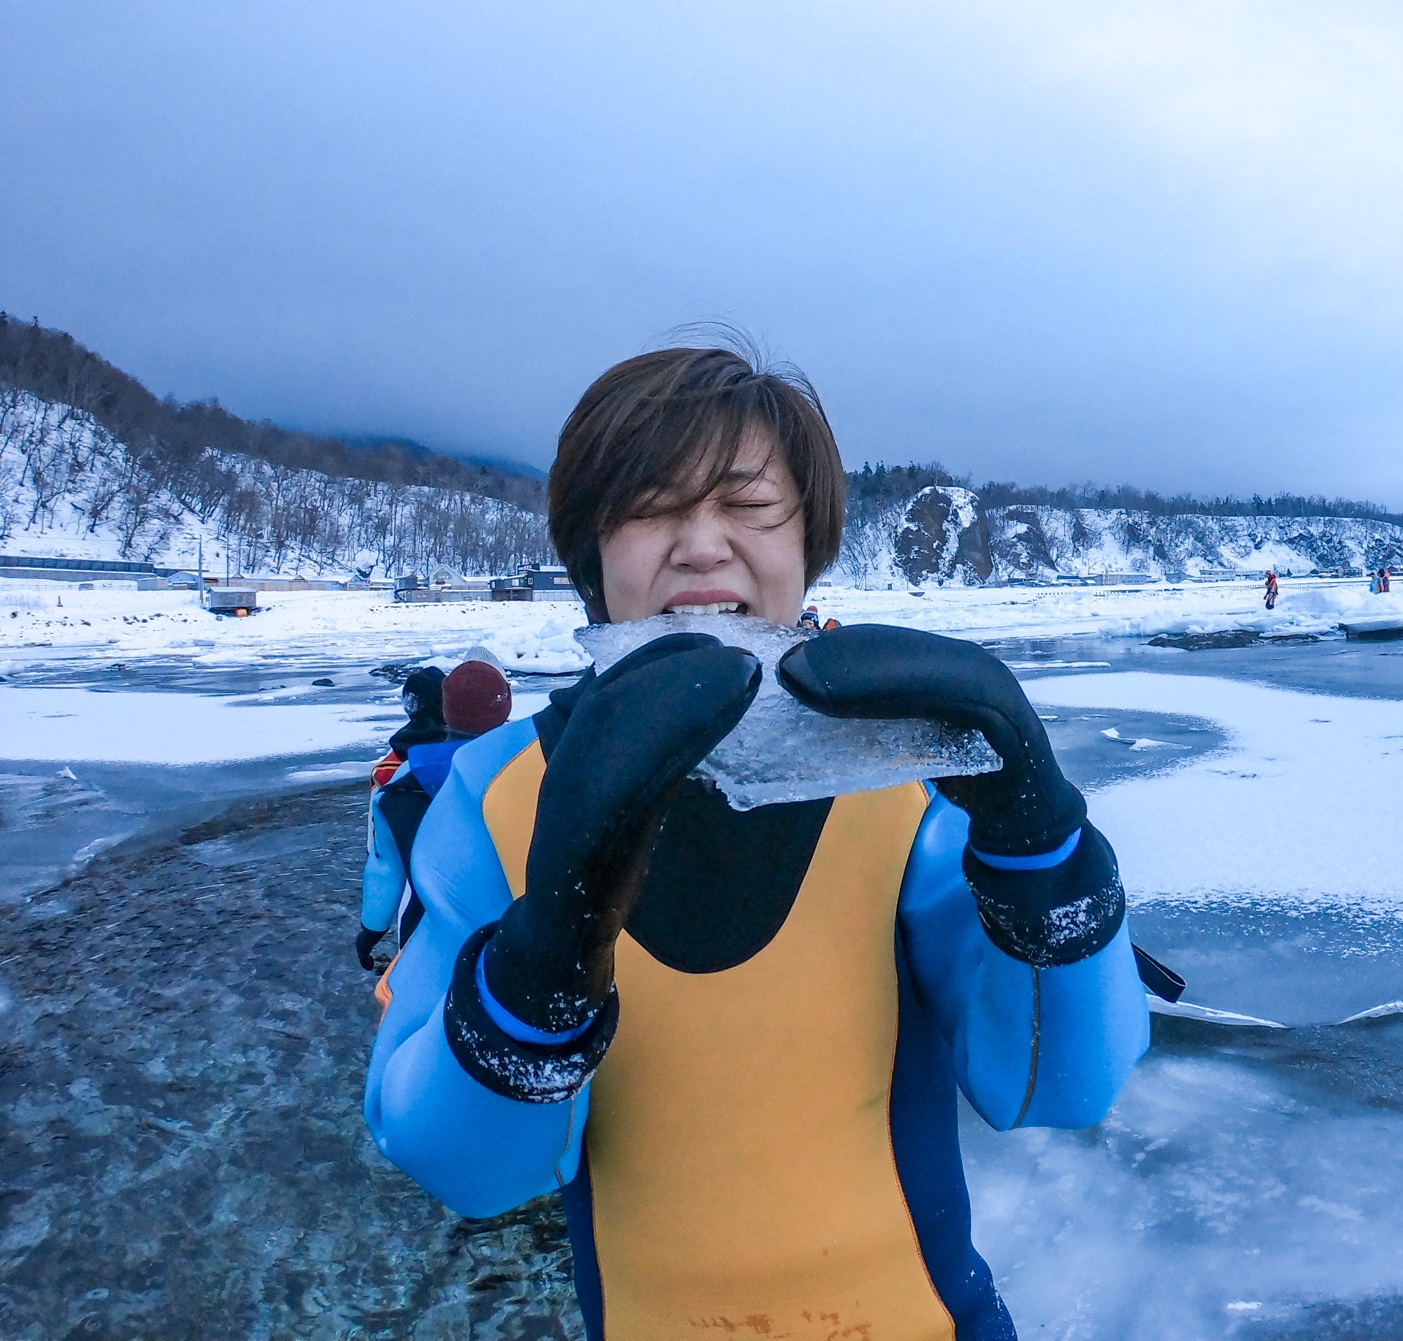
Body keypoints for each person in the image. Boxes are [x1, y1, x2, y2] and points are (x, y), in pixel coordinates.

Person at [363, 345, 1147, 1340]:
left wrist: (1040, 846)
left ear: (807, 542)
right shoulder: (498, 791)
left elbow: (1056, 1085)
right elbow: (462, 1170)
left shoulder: (904, 776)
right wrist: (536, 967)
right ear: (588, 554)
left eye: (747, 504)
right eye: (650, 505)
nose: (701, 545)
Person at [358, 660, 514, 970]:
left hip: (426, 934)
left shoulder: (398, 784)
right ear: (504, 709)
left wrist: (370, 931)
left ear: (446, 712)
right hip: (514, 934)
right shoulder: (533, 767)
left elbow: (384, 868)